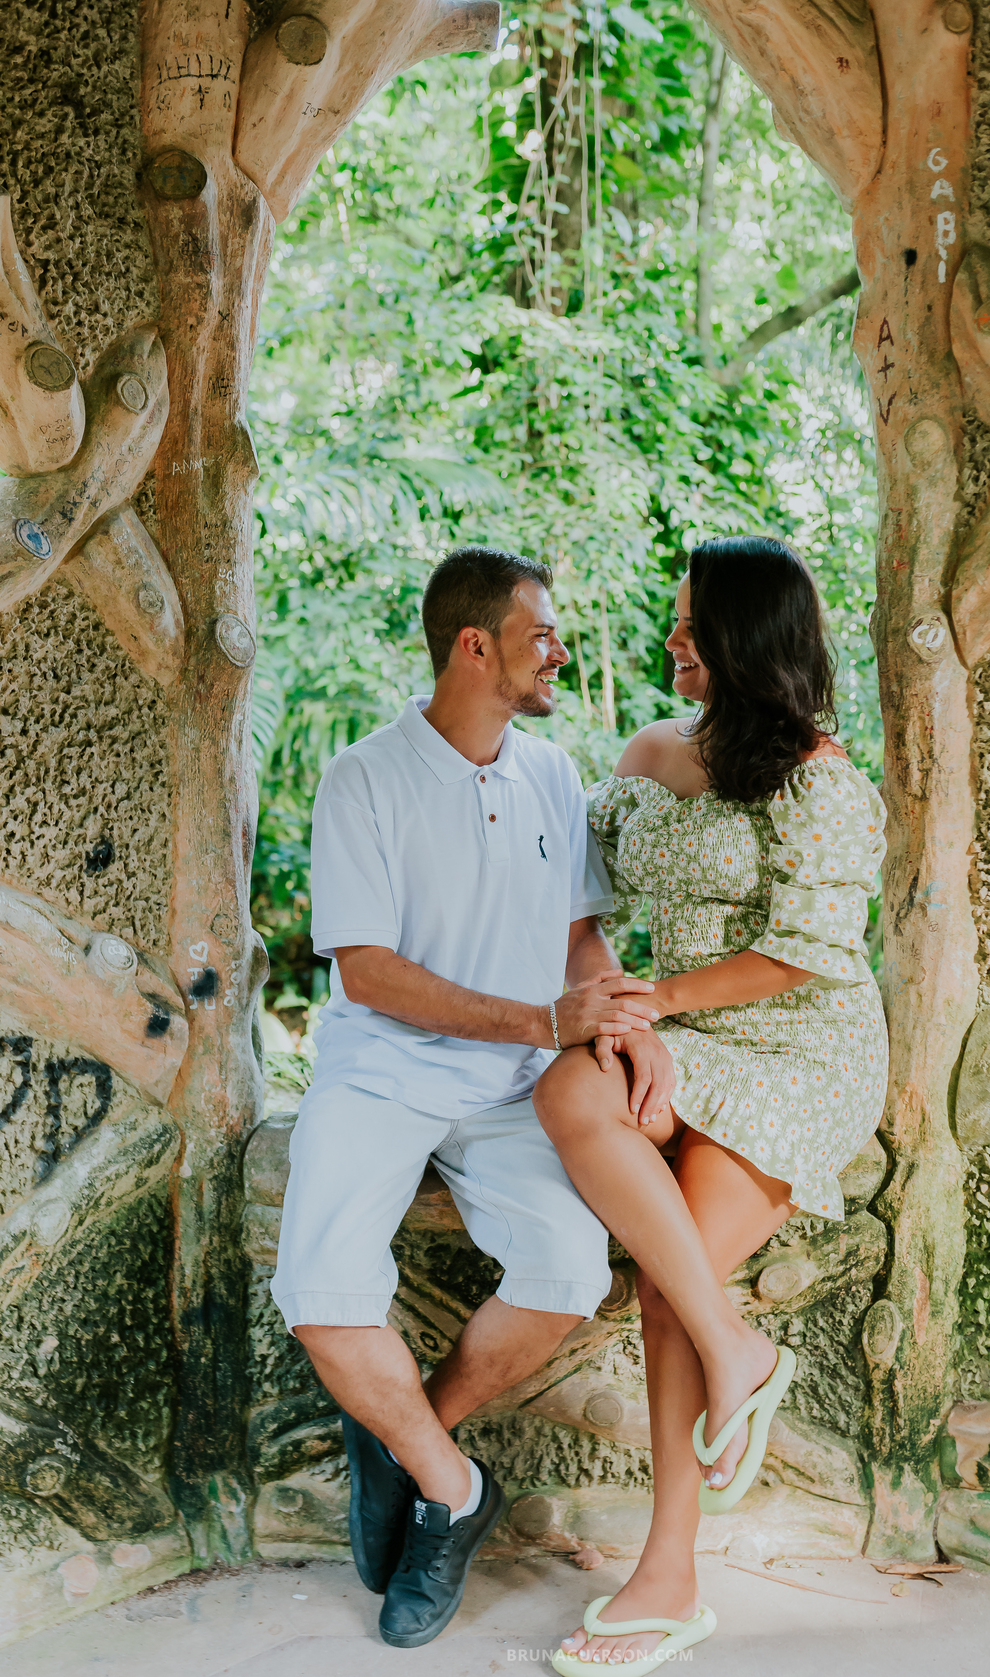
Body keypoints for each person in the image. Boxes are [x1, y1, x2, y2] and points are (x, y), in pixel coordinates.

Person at [270, 545, 663, 1650]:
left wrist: (621, 1033)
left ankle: (400, 1435)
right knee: (319, 1291)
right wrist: (542, 1021)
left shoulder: (551, 771)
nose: (561, 649)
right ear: (474, 644)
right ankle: (451, 1486)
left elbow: (582, 940)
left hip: (515, 1088)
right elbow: (369, 972)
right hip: (381, 1069)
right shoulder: (363, 778)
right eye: (543, 632)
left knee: (570, 1271)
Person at [535, 536, 889, 1675]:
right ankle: (738, 1349)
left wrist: (657, 1007)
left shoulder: (821, 779)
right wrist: (611, 1001)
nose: (673, 636)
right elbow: (571, 893)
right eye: (676, 617)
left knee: (661, 1279)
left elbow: (805, 953)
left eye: (693, 621)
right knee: (566, 1087)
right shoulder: (648, 750)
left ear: (749, 638)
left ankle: (669, 1572)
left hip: (802, 1045)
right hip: (674, 1028)